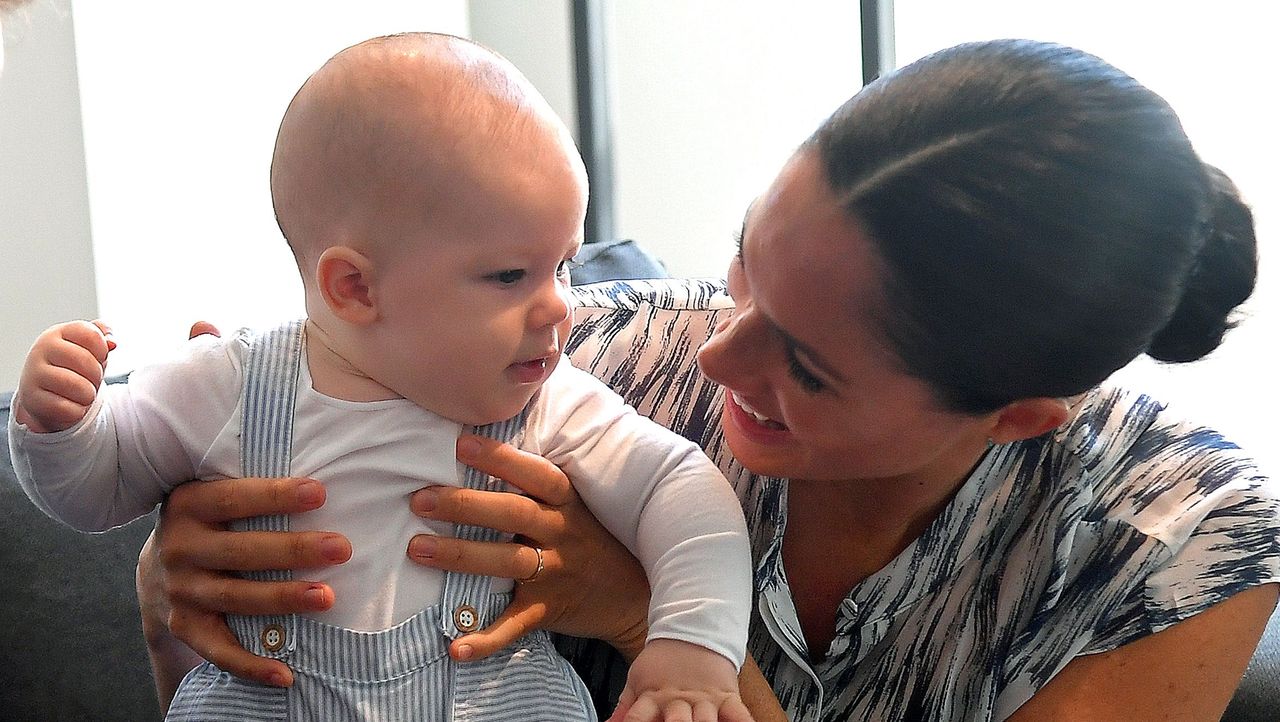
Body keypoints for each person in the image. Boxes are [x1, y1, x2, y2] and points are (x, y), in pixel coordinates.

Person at [136, 39, 1278, 721]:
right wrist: (184, 565)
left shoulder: (1175, 540)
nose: (716, 355)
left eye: (809, 366)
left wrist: (644, 608)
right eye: (744, 270)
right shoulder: (573, 355)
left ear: (1017, 413)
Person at [8, 32, 755, 722]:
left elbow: (681, 491)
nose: (560, 302)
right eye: (509, 275)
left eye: (562, 263)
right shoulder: (225, 385)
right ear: (355, 289)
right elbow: (94, 495)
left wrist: (692, 645)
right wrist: (61, 426)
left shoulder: (547, 399)